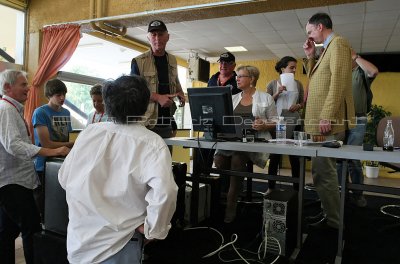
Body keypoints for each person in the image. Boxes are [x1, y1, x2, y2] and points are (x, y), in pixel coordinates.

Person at [58, 75, 178, 264]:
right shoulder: (151, 142)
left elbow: (64, 178)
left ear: (107, 103)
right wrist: (153, 229)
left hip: (81, 237)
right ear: (145, 104)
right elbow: (165, 193)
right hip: (120, 241)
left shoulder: (89, 132)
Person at [0, 70, 70, 264]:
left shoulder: (13, 109)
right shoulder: (6, 110)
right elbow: (13, 145)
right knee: (31, 229)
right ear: (7, 87)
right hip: (13, 181)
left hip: (13, 180)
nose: (28, 88)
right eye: (23, 85)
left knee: (7, 231)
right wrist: (50, 151)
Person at [303, 12, 355, 230]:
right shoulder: (326, 49)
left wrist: (328, 114)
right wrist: (310, 55)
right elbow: (316, 81)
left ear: (320, 26)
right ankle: (330, 214)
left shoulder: (339, 43)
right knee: (321, 173)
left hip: (326, 122)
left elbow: (339, 82)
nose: (309, 36)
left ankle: (335, 223)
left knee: (324, 174)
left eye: (310, 32)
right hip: (319, 121)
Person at [213, 65, 277, 223]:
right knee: (219, 161)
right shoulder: (233, 98)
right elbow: (225, 120)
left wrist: (264, 125)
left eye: (241, 76)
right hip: (232, 140)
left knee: (237, 161)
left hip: (253, 142)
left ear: (252, 79)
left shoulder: (265, 97)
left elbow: (276, 121)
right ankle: (229, 193)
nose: (237, 79)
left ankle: (231, 207)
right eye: (237, 76)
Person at [337, 49, 379, 207]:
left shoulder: (360, 72)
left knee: (353, 158)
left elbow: (373, 71)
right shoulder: (339, 74)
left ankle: (357, 194)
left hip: (357, 119)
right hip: (339, 120)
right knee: (339, 159)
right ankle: (341, 194)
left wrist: (355, 56)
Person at [130, 20, 185, 139]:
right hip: (146, 123)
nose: (157, 38)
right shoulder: (138, 61)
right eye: (153, 35)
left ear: (167, 37)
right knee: (146, 157)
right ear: (148, 38)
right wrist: (158, 97)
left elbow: (175, 80)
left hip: (166, 121)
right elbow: (134, 91)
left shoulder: (172, 60)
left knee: (165, 157)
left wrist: (180, 92)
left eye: (160, 34)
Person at [31, 78, 74, 220]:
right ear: (49, 95)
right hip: (43, 163)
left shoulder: (66, 112)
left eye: (64, 94)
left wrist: (73, 142)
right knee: (42, 201)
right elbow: (46, 143)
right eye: (58, 95)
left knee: (58, 199)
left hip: (62, 162)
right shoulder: (40, 112)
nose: (62, 98)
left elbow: (69, 137)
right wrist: (70, 144)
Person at [266, 56, 304, 193]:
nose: (294, 70)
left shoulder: (298, 84)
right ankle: (271, 187)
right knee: (275, 156)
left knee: (294, 156)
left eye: (295, 68)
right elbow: (267, 103)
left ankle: (297, 189)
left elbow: (302, 102)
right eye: (291, 67)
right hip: (277, 121)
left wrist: (298, 106)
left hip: (294, 120)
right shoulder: (272, 84)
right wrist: (277, 93)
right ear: (283, 68)